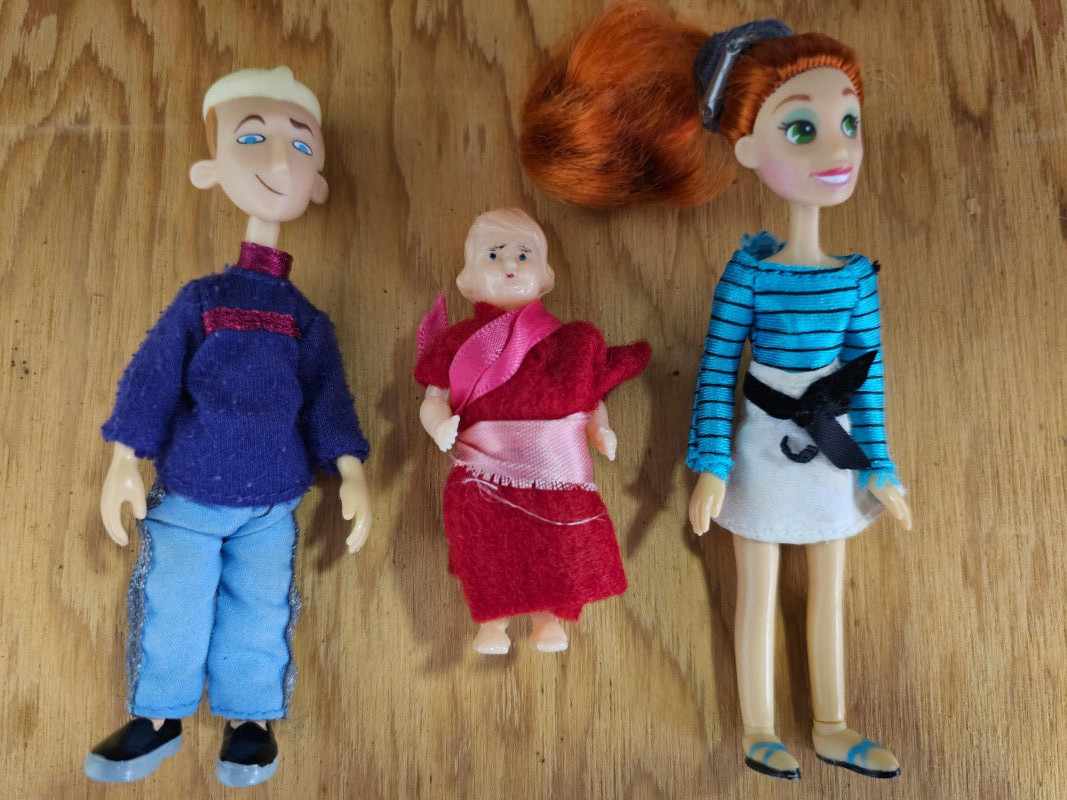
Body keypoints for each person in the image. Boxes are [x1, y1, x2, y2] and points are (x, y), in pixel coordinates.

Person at [520, 4, 911, 781]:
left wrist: (880, 466)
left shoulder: (855, 280)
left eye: (848, 123)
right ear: (749, 147)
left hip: (832, 454)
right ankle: (759, 727)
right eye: (802, 129)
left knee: (827, 589)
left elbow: (865, 381)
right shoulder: (748, 274)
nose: (837, 149)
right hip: (760, 448)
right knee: (756, 590)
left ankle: (832, 725)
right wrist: (711, 464)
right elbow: (715, 372)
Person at [84, 67, 372, 787]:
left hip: (272, 505)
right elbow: (153, 375)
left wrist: (351, 470)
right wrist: (124, 458)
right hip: (188, 493)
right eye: (252, 139)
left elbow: (328, 400)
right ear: (209, 169)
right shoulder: (203, 300)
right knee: (174, 603)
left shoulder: (306, 320)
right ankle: (158, 718)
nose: (280, 161)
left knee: (261, 610)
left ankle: (250, 721)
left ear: (318, 184)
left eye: (300, 147)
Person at [415, 208, 649, 655]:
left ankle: (548, 619)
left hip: (557, 467)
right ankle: (492, 623)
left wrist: (600, 429)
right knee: (489, 548)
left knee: (556, 548)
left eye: (524, 255)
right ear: (467, 280)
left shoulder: (569, 342)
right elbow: (433, 396)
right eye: (493, 255)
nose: (510, 264)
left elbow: (587, 396)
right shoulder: (458, 342)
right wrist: (437, 425)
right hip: (484, 469)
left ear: (545, 277)